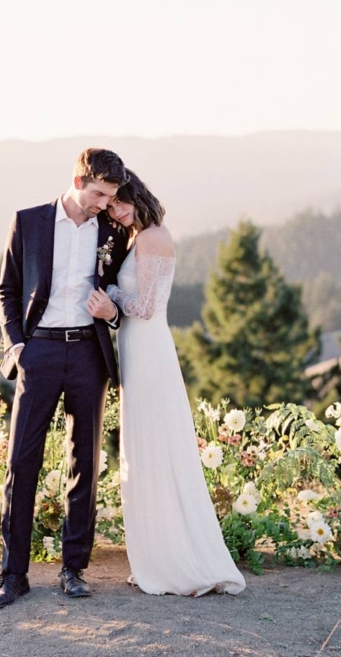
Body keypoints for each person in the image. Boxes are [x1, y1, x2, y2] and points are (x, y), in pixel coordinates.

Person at [0, 148, 131, 609]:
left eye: (110, 197)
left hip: (89, 352)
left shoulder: (113, 229)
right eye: (97, 193)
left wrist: (113, 311)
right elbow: (6, 288)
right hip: (40, 350)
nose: (103, 204)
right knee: (22, 460)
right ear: (77, 179)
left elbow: (127, 289)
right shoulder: (28, 220)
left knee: (84, 461)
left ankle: (74, 568)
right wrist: (17, 345)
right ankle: (13, 575)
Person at [105, 170, 245, 596]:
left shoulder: (152, 238)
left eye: (121, 202)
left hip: (148, 349)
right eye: (110, 206)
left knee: (155, 446)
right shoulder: (139, 236)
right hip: (138, 348)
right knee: (145, 448)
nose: (116, 210)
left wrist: (109, 294)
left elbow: (144, 307)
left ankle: (172, 561)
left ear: (137, 194)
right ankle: (155, 553)